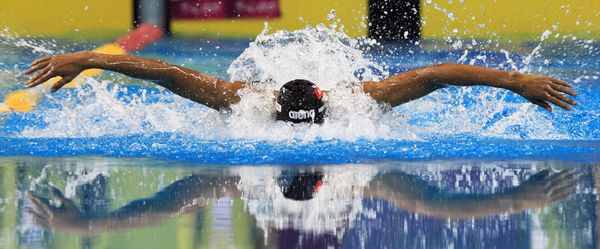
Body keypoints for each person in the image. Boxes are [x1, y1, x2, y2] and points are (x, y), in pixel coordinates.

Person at [25, 167, 576, 247]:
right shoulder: (362, 177)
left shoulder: (235, 177)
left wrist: (91, 221)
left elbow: (159, 207)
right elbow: (441, 206)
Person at [23, 51, 577, 124]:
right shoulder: (248, 100)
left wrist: (87, 58)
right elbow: (433, 75)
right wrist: (514, 80)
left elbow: (167, 73)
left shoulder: (352, 99)